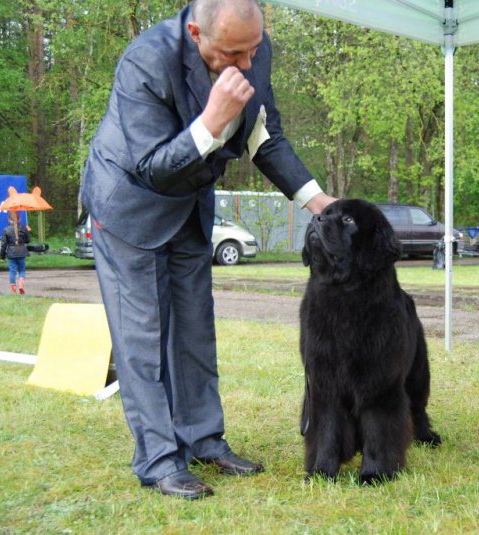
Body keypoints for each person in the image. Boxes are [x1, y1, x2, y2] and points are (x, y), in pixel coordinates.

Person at [81, 0, 335, 499]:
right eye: (233, 54)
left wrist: (319, 201)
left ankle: (204, 439)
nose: (246, 65)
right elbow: (153, 166)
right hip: (130, 205)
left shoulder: (252, 52)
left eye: (253, 51)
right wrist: (212, 120)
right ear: (196, 32)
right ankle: (158, 461)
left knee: (195, 329)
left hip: (190, 204)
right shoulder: (146, 60)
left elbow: (265, 137)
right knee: (143, 339)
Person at [0, 210, 30, 295]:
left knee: (12, 271)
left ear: (9, 219)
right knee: (22, 270)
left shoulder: (6, 230)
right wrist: (27, 231)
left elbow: (3, 245)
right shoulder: (24, 228)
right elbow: (27, 241)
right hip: (22, 252)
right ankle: (21, 285)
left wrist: (2, 257)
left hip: (11, 253)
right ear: (19, 219)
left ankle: (13, 291)